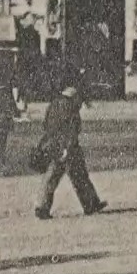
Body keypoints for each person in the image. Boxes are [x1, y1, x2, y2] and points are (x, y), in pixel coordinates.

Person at [34, 79, 105, 220]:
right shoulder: (70, 107)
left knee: (55, 177)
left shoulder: (54, 104)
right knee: (77, 176)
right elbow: (72, 129)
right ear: (74, 95)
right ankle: (90, 204)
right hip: (69, 147)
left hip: (55, 145)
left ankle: (42, 206)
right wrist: (66, 147)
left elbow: (47, 126)